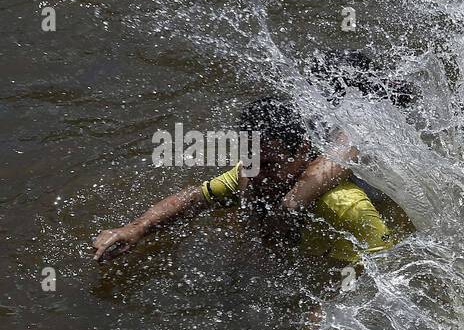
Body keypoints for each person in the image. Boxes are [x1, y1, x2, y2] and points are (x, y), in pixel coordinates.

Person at [91, 96, 394, 267]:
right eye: (252, 162)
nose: (258, 175)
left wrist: (328, 301)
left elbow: (389, 260)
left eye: (270, 164)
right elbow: (195, 197)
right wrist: (136, 228)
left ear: (302, 153)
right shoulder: (252, 170)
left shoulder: (344, 204)